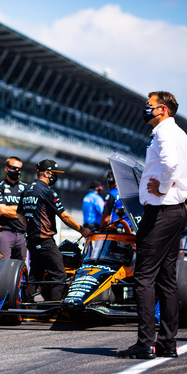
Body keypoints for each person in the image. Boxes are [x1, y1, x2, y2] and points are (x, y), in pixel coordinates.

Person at [117, 91, 187, 360]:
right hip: (176, 212)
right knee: (167, 279)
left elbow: (170, 164)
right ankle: (167, 342)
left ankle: (146, 343)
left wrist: (162, 186)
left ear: (163, 110)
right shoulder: (181, 134)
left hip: (160, 212)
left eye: (150, 106)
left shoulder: (164, 133)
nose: (146, 109)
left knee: (144, 278)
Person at [17, 160, 92, 301]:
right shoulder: (46, 191)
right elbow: (64, 216)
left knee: (35, 274)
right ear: (46, 173)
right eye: (54, 174)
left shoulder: (26, 189)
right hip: (45, 241)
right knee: (59, 274)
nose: (55, 177)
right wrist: (82, 230)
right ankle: (54, 307)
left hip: (32, 240)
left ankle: (26, 305)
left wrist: (30, 227)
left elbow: (19, 214)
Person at [0, 156, 27, 261]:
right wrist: (21, 211)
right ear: (6, 168)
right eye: (13, 168)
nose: (16, 171)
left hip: (22, 233)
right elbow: (2, 210)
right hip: (5, 232)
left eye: (19, 169)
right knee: (3, 265)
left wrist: (9, 208)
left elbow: (30, 210)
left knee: (21, 267)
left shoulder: (26, 188)